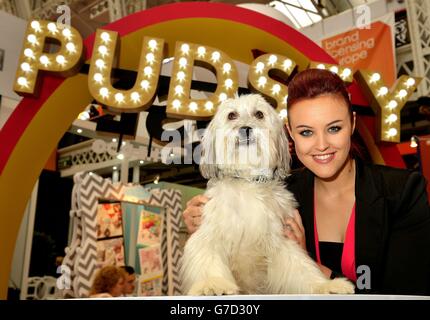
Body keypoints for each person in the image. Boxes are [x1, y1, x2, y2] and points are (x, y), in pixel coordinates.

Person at [183, 68, 430, 295]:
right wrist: (201, 227)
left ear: (352, 123)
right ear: (289, 133)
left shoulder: (402, 191)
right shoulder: (281, 191)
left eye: (334, 128)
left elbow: (410, 294)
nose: (322, 144)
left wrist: (318, 272)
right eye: (306, 132)